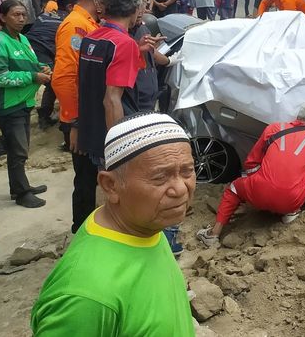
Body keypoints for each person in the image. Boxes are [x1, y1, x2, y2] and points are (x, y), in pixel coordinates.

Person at [30, 112, 196, 336]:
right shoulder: (85, 296)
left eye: (187, 171)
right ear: (110, 186)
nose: (181, 189)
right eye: (160, 177)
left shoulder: (142, 225)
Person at [76, 0, 159, 232]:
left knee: (108, 191)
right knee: (122, 197)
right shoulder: (122, 44)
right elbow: (111, 99)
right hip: (112, 135)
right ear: (135, 8)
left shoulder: (92, 38)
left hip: (91, 131)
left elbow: (91, 83)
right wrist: (118, 148)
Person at [197, 102, 305, 245]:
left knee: (234, 188)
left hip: (258, 195)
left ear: (298, 116)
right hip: (291, 202)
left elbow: (251, 163)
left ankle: (213, 233)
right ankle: (290, 213)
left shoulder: (274, 128)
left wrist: (255, 181)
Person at [51, 0, 115, 232]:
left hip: (88, 117)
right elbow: (64, 79)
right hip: (80, 120)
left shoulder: (89, 24)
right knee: (87, 182)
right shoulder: (74, 26)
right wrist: (75, 122)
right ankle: (81, 233)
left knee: (93, 179)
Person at [0, 0, 50, 208]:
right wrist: (32, 77)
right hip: (8, 104)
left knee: (21, 148)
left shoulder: (23, 39)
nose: (21, 18)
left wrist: (41, 68)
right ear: (3, 18)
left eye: (23, 15)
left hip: (22, 101)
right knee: (17, 150)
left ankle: (20, 185)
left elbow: (30, 63)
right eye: (16, 15)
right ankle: (21, 192)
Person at [27, 0, 77, 130]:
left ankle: (45, 115)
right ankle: (48, 117)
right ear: (70, 7)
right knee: (56, 82)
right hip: (42, 53)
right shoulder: (68, 22)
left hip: (27, 50)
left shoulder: (45, 15)